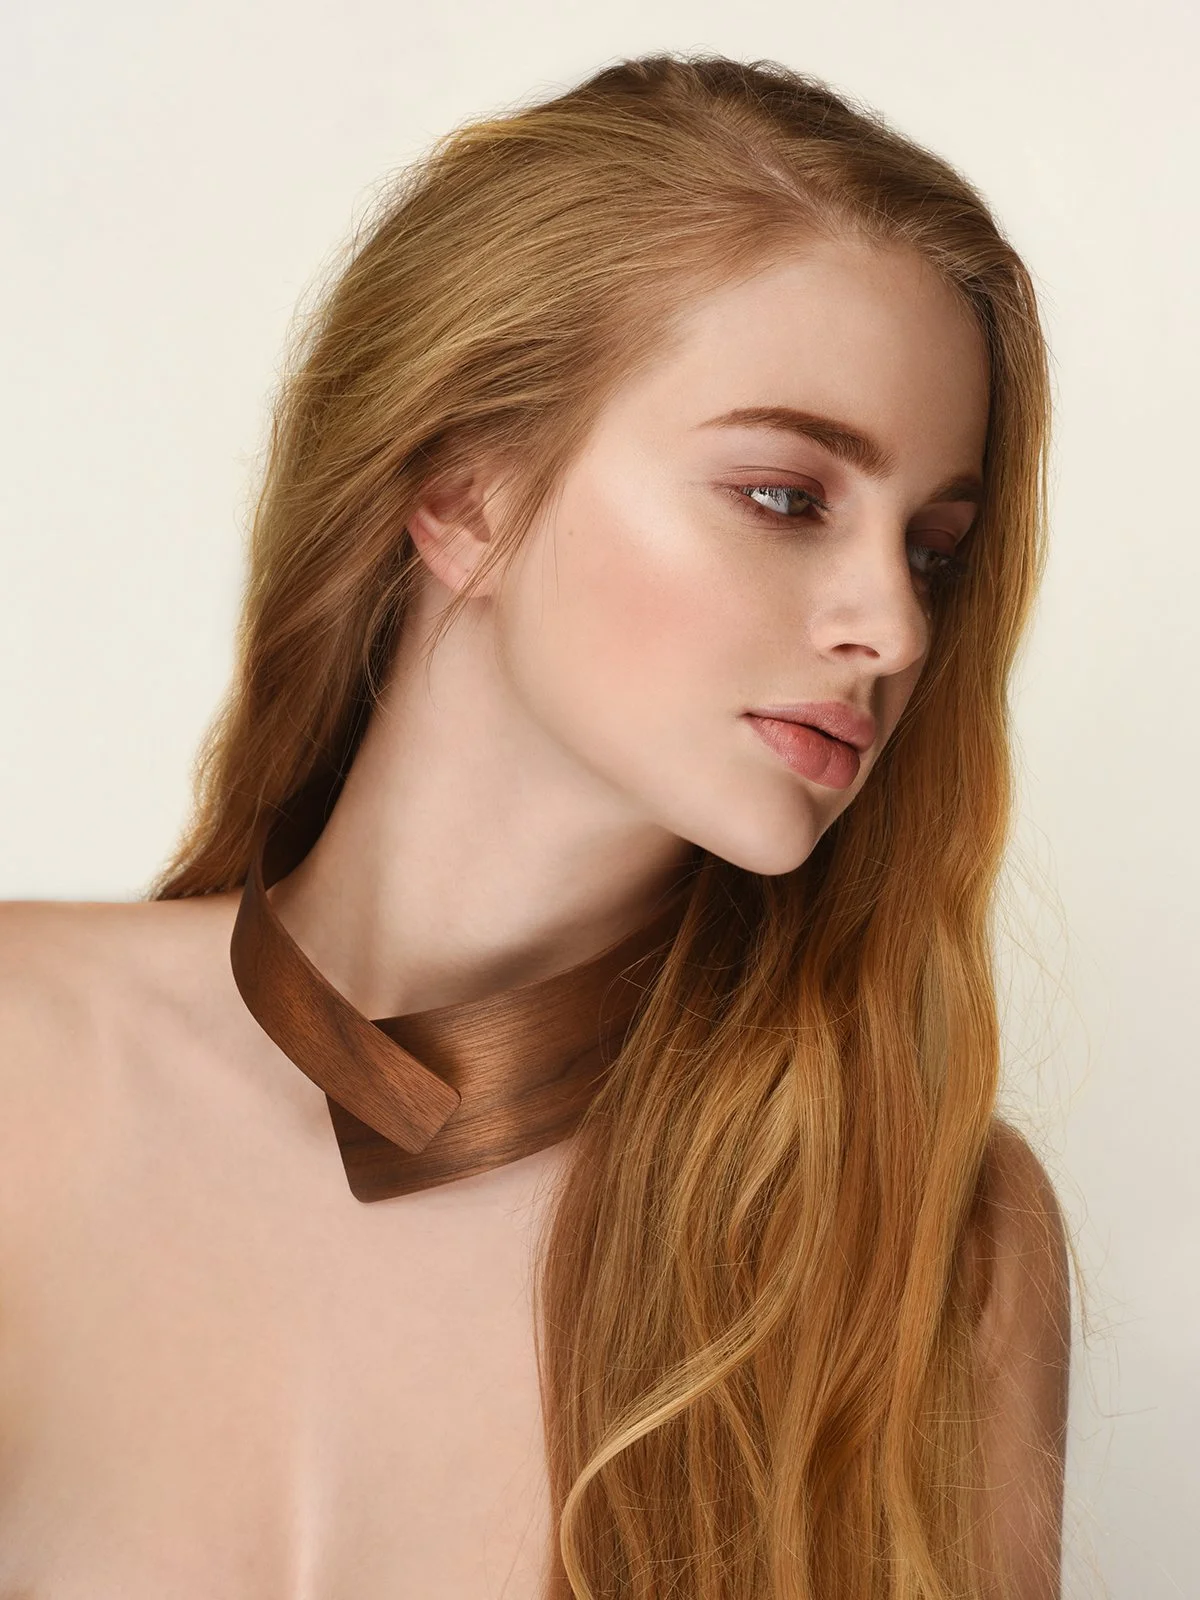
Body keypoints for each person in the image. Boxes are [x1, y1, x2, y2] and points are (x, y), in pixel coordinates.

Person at [0, 52, 1073, 1600]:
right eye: (786, 496)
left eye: (936, 550)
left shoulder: (931, 1247)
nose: (893, 626)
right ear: (465, 494)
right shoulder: (26, 1067)